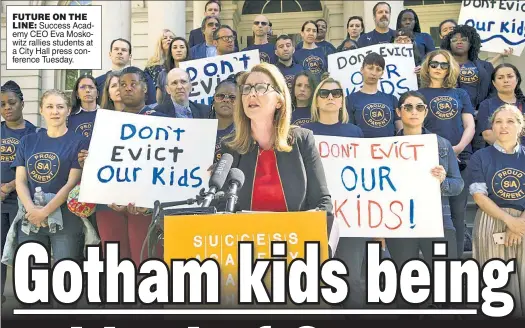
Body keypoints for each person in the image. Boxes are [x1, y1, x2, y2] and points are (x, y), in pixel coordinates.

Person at [217, 62, 333, 217]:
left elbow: (323, 203)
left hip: (294, 237)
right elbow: (219, 206)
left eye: (260, 88)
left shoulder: (302, 140)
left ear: (279, 101)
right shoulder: (230, 146)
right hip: (246, 238)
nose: (252, 94)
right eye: (247, 88)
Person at [78, 67, 164, 267]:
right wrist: (89, 162)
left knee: (146, 260)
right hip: (110, 204)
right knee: (115, 260)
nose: (127, 88)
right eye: (122, 85)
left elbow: (166, 165)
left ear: (144, 88)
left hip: (145, 206)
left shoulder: (160, 120)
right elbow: (103, 162)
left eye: (133, 84)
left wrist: (147, 199)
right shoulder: (105, 122)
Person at [386, 90, 463, 309]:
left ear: (426, 112)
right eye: (408, 107)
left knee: (443, 283)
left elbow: (458, 185)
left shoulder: (441, 145)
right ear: (399, 112)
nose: (414, 111)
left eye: (419, 107)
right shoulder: (385, 148)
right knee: (404, 281)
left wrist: (442, 181)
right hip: (400, 223)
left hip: (437, 220)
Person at [11, 89, 88, 266]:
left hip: (66, 220)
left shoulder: (79, 141)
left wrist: (44, 212)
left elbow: (72, 183)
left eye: (60, 107)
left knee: (66, 274)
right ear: (41, 110)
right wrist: (33, 211)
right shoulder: (27, 141)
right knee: (32, 274)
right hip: (30, 217)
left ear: (68, 110)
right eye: (50, 107)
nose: (55, 111)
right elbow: (21, 181)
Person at [418, 49, 476, 258]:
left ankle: (457, 262)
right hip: (429, 162)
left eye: (444, 65)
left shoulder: (460, 94)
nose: (439, 68)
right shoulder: (419, 94)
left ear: (450, 67)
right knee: (433, 216)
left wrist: (459, 147)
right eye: (434, 64)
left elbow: (469, 125)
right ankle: (433, 262)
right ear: (427, 66)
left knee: (458, 216)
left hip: (460, 159)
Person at [470, 104, 525, 317]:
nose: (503, 126)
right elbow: (478, 196)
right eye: (498, 122)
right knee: (495, 284)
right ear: (491, 127)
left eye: (510, 121)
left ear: (520, 126)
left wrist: (519, 223)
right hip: (490, 221)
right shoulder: (481, 157)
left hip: (523, 221)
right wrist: (509, 222)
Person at [1, 81, 37, 304]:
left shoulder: (34, 133)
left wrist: (8, 186)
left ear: (22, 103)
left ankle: (29, 293)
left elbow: (35, 165)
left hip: (23, 200)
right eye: (2, 104)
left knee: (25, 247)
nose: (7, 108)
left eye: (12, 103)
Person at [346, 52, 402, 138]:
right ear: (362, 69)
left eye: (378, 69)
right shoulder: (350, 99)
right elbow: (349, 131)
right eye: (370, 68)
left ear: (382, 73)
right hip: (361, 148)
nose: (374, 73)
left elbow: (400, 129)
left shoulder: (392, 99)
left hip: (389, 148)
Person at [440, 25, 494, 111]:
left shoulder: (486, 66)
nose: (459, 42)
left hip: (480, 114)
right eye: (454, 40)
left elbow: (493, 91)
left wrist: (482, 109)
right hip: (450, 113)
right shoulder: (440, 66)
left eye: (464, 39)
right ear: (449, 44)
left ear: (471, 43)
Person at [95, 38, 156, 105]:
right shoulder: (97, 82)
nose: (119, 52)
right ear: (110, 54)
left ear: (130, 56)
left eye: (124, 50)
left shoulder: (144, 77)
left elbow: (152, 103)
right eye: (116, 49)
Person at [477, 64, 525, 146]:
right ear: (494, 83)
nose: (506, 80)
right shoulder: (486, 105)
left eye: (510, 76)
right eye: (500, 78)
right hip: (498, 155)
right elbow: (488, 135)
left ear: (517, 80)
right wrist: (513, 150)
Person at [156, 37, 190, 104]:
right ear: (171, 52)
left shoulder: (195, 71)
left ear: (187, 51)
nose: (178, 50)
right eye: (175, 47)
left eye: (182, 47)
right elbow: (159, 99)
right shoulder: (163, 74)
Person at [210, 77, 236, 164]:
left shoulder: (245, 135)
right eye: (220, 96)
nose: (226, 100)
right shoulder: (200, 131)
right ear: (213, 101)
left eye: (232, 98)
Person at [67, 75, 99, 140]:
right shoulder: (68, 116)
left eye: (91, 87)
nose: (87, 90)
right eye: (83, 87)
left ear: (97, 93)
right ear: (77, 94)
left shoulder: (106, 114)